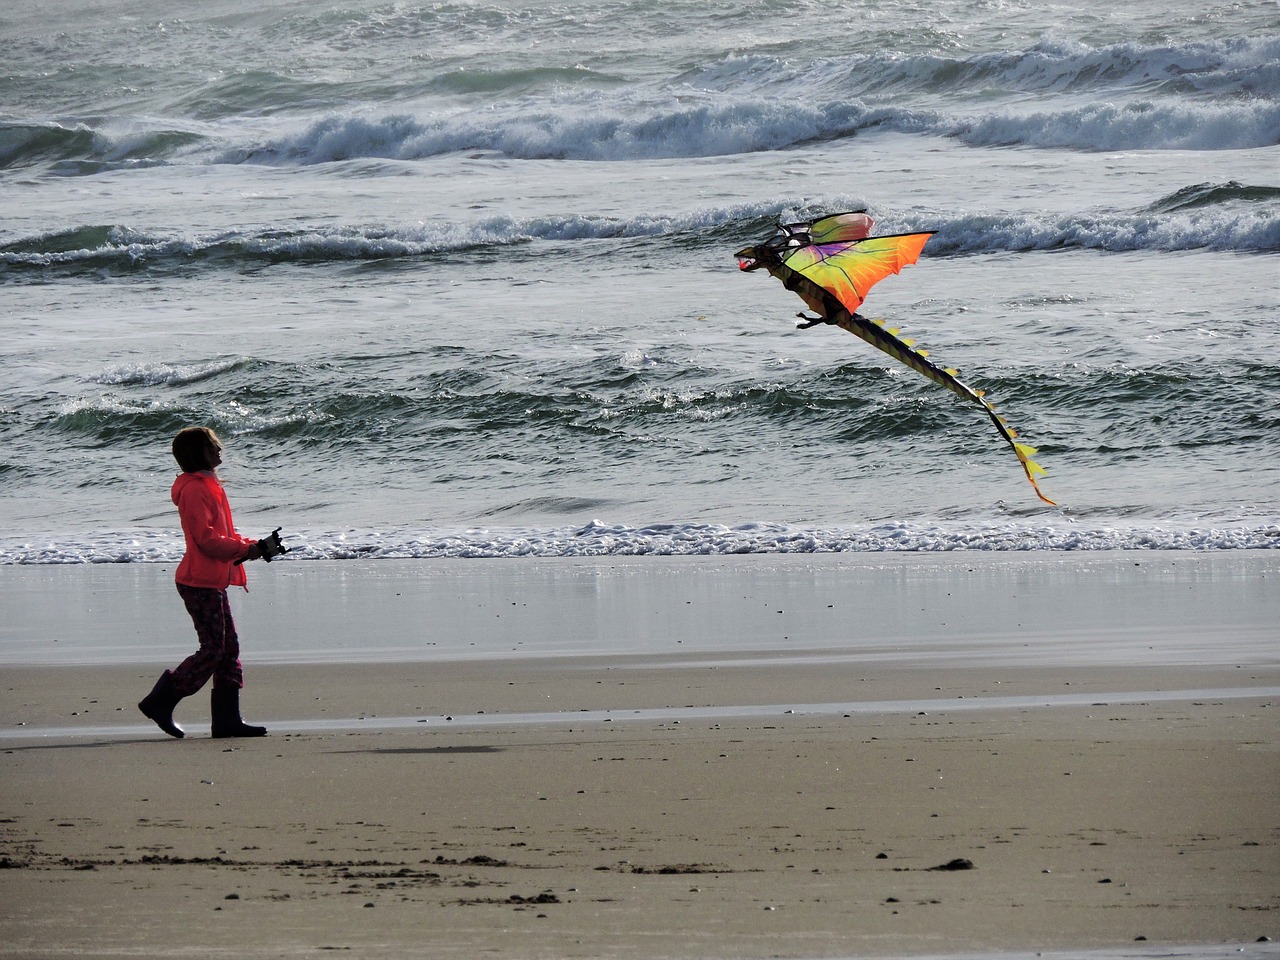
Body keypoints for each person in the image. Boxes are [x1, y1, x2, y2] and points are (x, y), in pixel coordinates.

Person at [138, 426, 269, 739]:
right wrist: (244, 550)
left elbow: (223, 536)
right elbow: (207, 541)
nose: (219, 450)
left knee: (228, 649)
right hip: (198, 582)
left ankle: (227, 720)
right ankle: (161, 700)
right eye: (213, 446)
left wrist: (253, 546)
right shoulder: (196, 490)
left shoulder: (210, 485)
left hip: (211, 580)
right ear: (199, 453)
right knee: (213, 650)